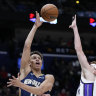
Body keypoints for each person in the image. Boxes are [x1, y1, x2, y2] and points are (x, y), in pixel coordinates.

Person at [7, 11, 55, 96]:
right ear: (29, 63)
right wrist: (35, 26)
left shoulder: (48, 77)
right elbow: (27, 46)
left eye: (39, 58)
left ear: (41, 62)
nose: (37, 59)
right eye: (34, 58)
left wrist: (20, 84)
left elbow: (40, 91)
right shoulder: (25, 71)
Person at [69, 15, 96, 96]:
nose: (94, 69)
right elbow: (79, 50)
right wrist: (75, 28)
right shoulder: (88, 73)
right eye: (93, 66)